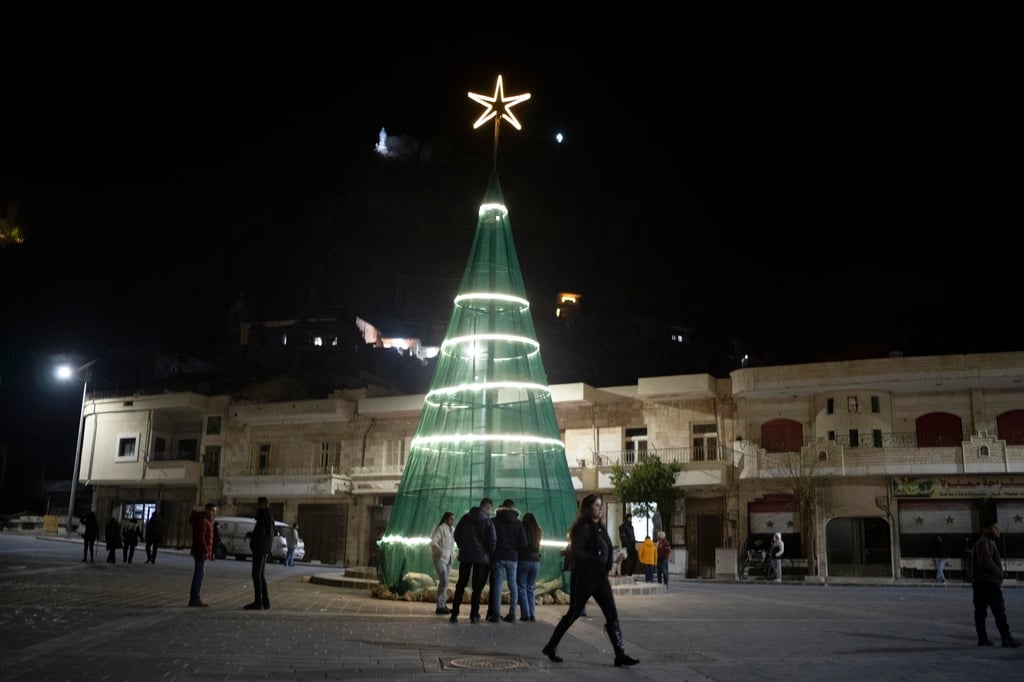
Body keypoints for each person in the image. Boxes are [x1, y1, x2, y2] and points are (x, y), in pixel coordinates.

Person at [543, 493, 639, 667]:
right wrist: (596, 559)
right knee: (574, 613)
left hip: (600, 577)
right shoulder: (582, 528)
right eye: (596, 506)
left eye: (600, 506)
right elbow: (577, 552)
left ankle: (620, 654)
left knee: (611, 613)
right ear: (587, 508)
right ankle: (551, 645)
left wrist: (613, 558)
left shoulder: (600, 528)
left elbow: (603, 550)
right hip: (585, 577)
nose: (600, 509)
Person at [972, 521, 1021, 647]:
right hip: (988, 582)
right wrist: (998, 573)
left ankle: (982, 639)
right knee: (999, 611)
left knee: (980, 612)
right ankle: (1006, 638)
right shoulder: (986, 542)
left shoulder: (981, 542)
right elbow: (987, 560)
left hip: (980, 582)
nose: (997, 530)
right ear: (988, 529)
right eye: (995, 527)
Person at [449, 498, 496, 624]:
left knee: (461, 585)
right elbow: (492, 541)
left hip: (465, 556)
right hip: (481, 559)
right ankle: (474, 615)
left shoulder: (465, 518)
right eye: (490, 509)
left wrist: (462, 547)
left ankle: (454, 613)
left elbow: (457, 534)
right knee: (477, 587)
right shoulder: (488, 522)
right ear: (487, 507)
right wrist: (489, 554)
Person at [489, 499, 527, 623]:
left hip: (498, 556)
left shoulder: (494, 521)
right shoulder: (518, 523)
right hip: (512, 557)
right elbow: (524, 543)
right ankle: (512, 613)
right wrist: (515, 549)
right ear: (513, 508)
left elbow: (490, 538)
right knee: (513, 585)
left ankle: (496, 613)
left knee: (497, 586)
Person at [244, 496, 275, 610]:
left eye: (257, 504)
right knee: (260, 575)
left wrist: (252, 536)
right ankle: (265, 602)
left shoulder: (263, 515)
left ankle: (258, 602)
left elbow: (261, 532)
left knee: (256, 574)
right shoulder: (270, 516)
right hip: (265, 548)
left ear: (261, 504)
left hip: (260, 548)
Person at [188, 502, 217, 607]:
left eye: (215, 511)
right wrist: (205, 551)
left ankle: (195, 597)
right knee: (199, 575)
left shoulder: (206, 520)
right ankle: (195, 598)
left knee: (199, 574)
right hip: (200, 552)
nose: (214, 513)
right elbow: (201, 537)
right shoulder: (203, 520)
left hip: (201, 551)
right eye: (213, 511)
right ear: (207, 510)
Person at [518, 511, 542, 622]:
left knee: (522, 587)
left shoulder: (523, 529)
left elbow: (521, 544)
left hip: (524, 560)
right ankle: (532, 614)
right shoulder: (538, 531)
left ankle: (525, 614)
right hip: (536, 561)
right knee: (531, 588)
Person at [429, 511, 455, 615]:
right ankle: (440, 606)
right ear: (446, 519)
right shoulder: (440, 528)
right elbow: (433, 542)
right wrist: (441, 551)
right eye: (451, 519)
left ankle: (442, 605)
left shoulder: (452, 529)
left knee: (445, 582)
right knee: (443, 579)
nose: (453, 521)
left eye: (453, 519)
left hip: (449, 559)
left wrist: (452, 554)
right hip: (440, 558)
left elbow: (452, 544)